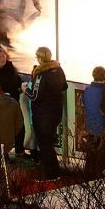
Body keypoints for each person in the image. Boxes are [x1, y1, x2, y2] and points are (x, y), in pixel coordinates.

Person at [28, 46, 68, 179]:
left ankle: (50, 174)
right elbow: (64, 86)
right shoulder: (58, 69)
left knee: (44, 144)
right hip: (56, 111)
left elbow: (35, 96)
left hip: (43, 114)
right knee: (49, 143)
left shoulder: (40, 74)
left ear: (39, 58)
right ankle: (55, 172)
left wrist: (25, 89)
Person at [81, 65, 105, 178]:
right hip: (103, 127)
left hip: (90, 126)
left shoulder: (87, 90)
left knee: (91, 154)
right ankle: (97, 177)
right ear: (104, 76)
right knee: (101, 154)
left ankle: (88, 176)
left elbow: (84, 106)